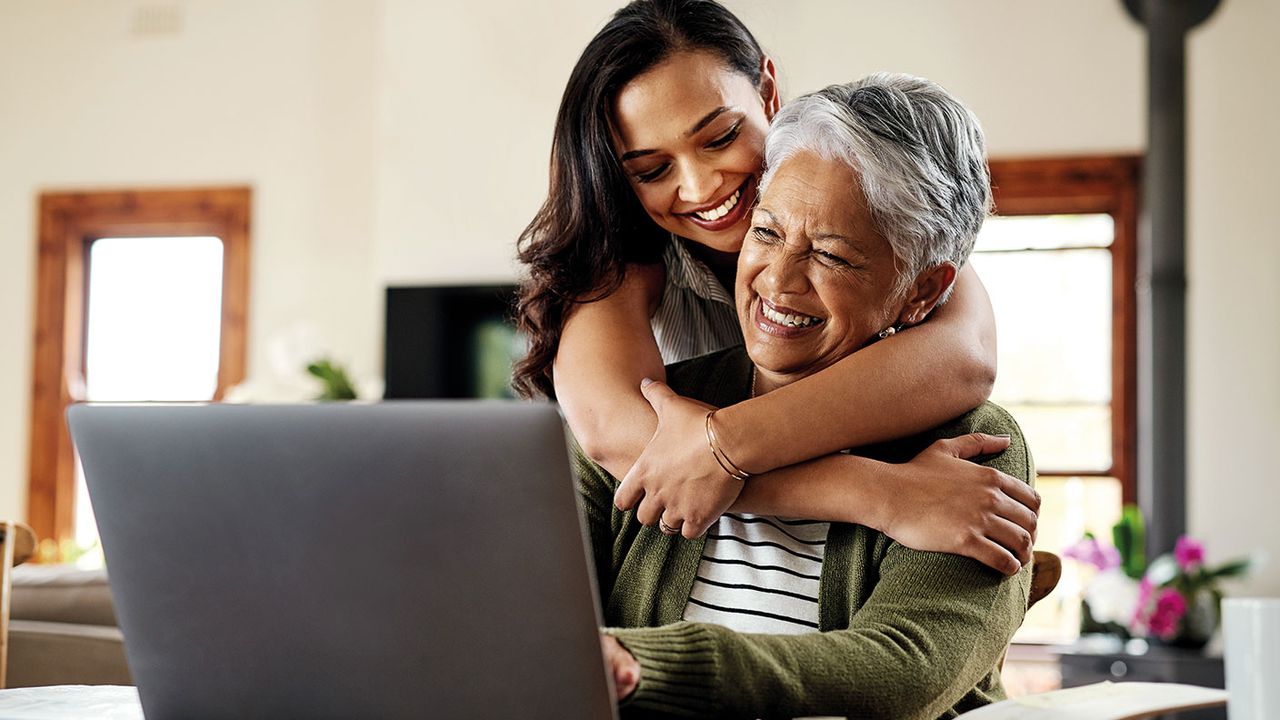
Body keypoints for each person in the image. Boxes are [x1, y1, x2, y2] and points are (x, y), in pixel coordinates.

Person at [514, 0, 1038, 575]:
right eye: (652, 170)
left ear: (766, 93)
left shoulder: (863, 185)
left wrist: (724, 445)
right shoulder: (620, 263)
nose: (700, 186)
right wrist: (881, 495)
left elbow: (964, 357)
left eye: (719, 137)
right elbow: (632, 444)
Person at [580, 74, 1032, 719]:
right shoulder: (656, 409)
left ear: (923, 292)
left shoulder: (978, 449)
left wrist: (640, 663)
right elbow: (528, 613)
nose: (779, 280)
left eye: (832, 256)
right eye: (765, 233)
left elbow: (907, 672)